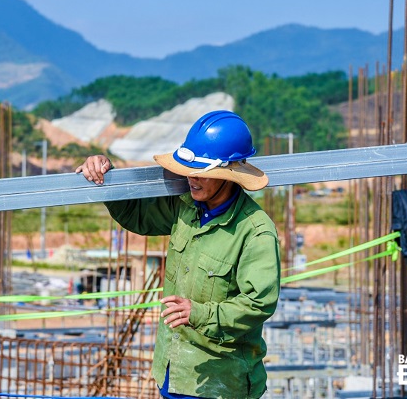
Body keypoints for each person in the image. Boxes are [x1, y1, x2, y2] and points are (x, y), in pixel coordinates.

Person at [76, 110, 281, 399]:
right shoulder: (185, 207)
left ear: (229, 173)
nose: (192, 179)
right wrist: (106, 176)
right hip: (173, 374)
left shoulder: (255, 231)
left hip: (221, 382)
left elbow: (258, 304)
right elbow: (137, 217)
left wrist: (199, 313)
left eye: (200, 173)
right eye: (188, 171)